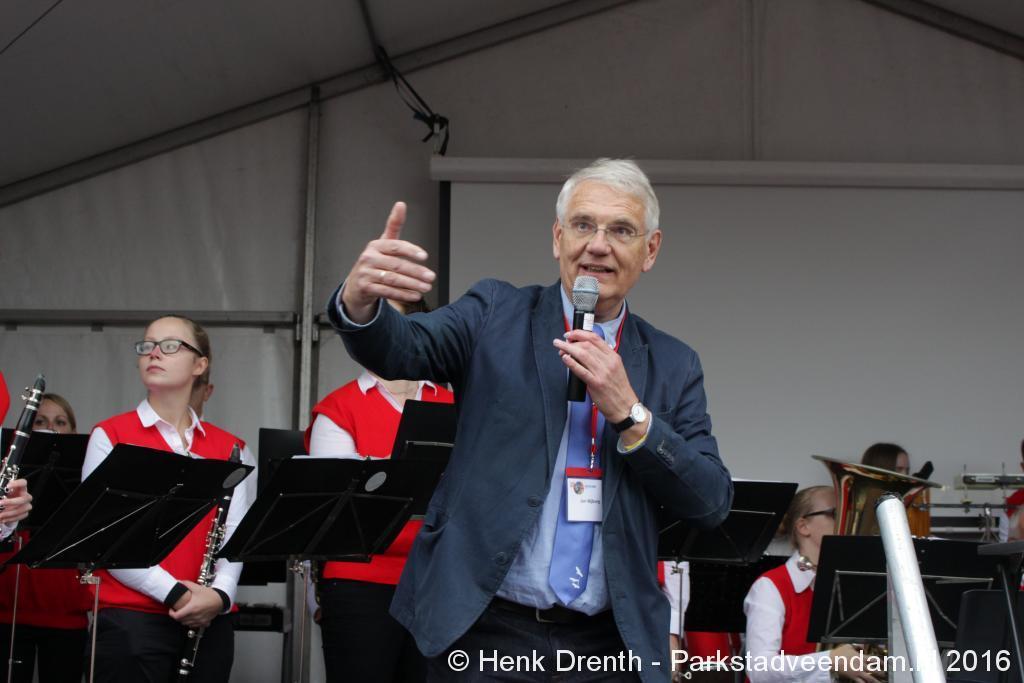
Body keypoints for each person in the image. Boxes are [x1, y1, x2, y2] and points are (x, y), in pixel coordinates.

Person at [330, 158, 733, 682]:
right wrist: (360, 303)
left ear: (650, 250)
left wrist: (630, 414)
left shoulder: (673, 363)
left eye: (621, 230)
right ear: (558, 238)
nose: (598, 245)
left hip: (609, 643)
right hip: (485, 629)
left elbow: (709, 500)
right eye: (583, 225)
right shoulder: (495, 313)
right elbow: (403, 348)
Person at [82, 315, 254, 683]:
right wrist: (177, 594)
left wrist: (220, 597)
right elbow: (105, 537)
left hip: (211, 622)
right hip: (131, 620)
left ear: (199, 365)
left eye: (170, 346)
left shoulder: (232, 448)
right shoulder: (110, 436)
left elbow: (235, 534)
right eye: (147, 345)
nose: (154, 353)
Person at [304, 298, 455, 682]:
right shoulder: (339, 408)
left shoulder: (455, 403)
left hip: (439, 583)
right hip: (359, 582)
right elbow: (335, 512)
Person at [743, 486, 875, 683]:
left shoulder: (854, 583)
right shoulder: (770, 587)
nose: (847, 520)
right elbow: (759, 670)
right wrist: (829, 661)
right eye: (835, 513)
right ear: (803, 526)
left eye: (849, 512)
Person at [0, 393, 90, 683]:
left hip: (66, 612)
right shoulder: (8, 473)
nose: (50, 429)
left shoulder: (87, 474)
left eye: (60, 422)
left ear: (73, 432)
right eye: (40, 421)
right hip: (9, 610)